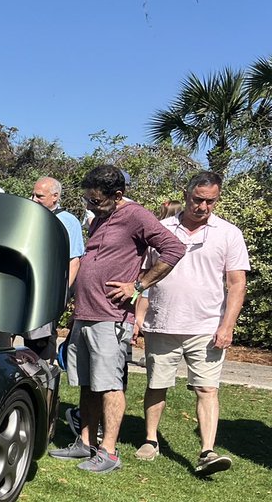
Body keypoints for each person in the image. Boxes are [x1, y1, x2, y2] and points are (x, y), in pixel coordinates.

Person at [49, 165, 185, 474]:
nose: (89, 206)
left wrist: (137, 286)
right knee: (87, 382)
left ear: (118, 195)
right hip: (86, 312)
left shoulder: (136, 216)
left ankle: (109, 451)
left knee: (109, 384)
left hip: (110, 317)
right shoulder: (100, 217)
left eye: (95, 201)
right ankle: (85, 442)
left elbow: (174, 248)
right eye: (87, 199)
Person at [134, 172, 249, 475]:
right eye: (198, 199)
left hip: (206, 326)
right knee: (156, 385)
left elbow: (237, 284)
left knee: (207, 389)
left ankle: (207, 452)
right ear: (186, 195)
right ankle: (150, 440)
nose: (203, 206)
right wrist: (139, 316)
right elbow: (145, 276)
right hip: (163, 321)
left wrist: (227, 325)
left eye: (210, 201)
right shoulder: (160, 229)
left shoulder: (228, 233)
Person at [26, 176, 86, 359]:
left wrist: (63, 292)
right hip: (28, 286)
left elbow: (74, 259)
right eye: (33, 195)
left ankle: (46, 378)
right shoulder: (29, 215)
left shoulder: (67, 221)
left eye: (39, 196)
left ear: (55, 196)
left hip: (50, 291)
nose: (34, 199)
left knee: (40, 340)